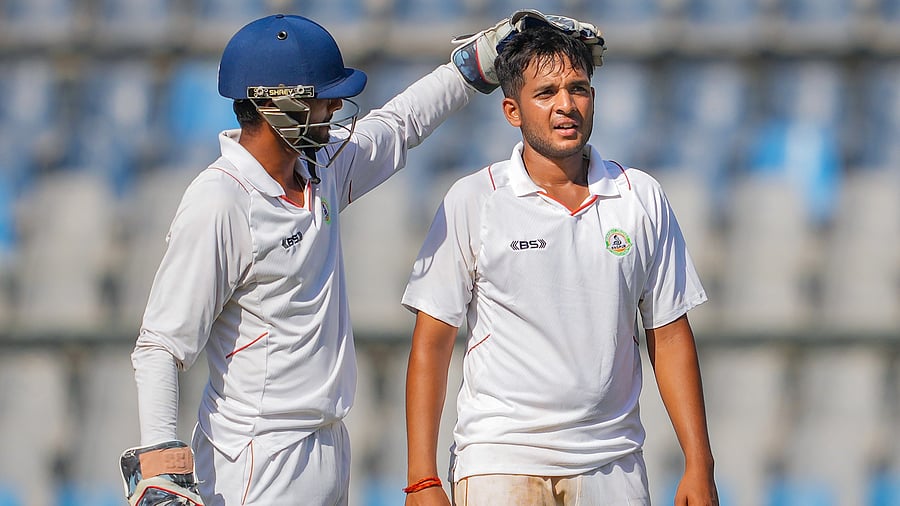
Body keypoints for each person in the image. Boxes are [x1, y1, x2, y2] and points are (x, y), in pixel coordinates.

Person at [120, 12, 519, 506]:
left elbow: (398, 125)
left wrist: (470, 69)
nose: (334, 106)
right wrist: (161, 465)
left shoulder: (318, 167)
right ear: (276, 105)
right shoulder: (221, 201)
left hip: (328, 443)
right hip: (258, 459)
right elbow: (160, 343)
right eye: (320, 97)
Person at [402, 22, 719, 506]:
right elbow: (432, 344)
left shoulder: (640, 196)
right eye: (546, 92)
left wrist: (700, 464)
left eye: (579, 89)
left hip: (612, 464)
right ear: (512, 110)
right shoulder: (474, 199)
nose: (566, 105)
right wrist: (422, 479)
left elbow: (670, 334)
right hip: (498, 462)